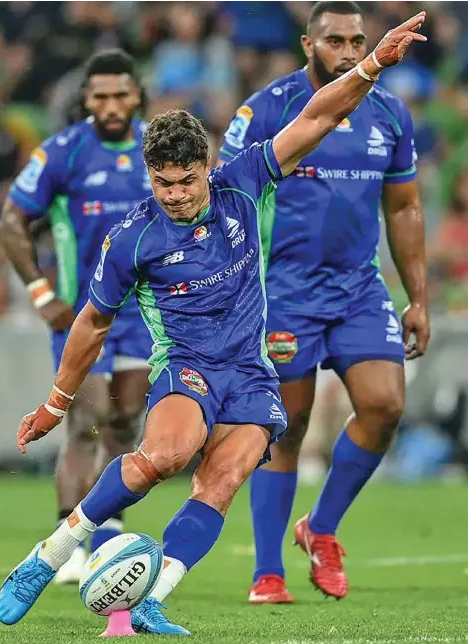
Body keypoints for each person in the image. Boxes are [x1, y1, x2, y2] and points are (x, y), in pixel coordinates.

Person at [0, 12, 427, 635]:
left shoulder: (243, 183)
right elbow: (90, 324)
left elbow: (317, 117)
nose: (174, 194)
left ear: (207, 167)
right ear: (150, 176)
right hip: (188, 364)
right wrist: (56, 402)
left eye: (185, 181)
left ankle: (152, 598)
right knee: (163, 457)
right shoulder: (134, 239)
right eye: (163, 183)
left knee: (224, 480)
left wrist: (373, 65)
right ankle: (48, 557)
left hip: (250, 371)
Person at [219, 1, 431, 604]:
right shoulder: (266, 110)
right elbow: (226, 192)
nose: (349, 51)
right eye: (335, 40)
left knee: (385, 405)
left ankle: (322, 528)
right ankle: (267, 572)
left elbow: (405, 207)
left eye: (358, 40)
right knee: (286, 428)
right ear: (308, 44)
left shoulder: (390, 113)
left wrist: (418, 298)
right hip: (284, 290)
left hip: (359, 288)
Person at [0, 49, 153, 584]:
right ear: (85, 100)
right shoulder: (64, 152)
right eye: (100, 96)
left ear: (137, 95)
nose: (111, 105)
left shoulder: (158, 148)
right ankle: (69, 543)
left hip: (146, 315)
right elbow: (12, 220)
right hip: (82, 313)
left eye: (120, 95)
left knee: (127, 421)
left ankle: (108, 537)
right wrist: (41, 294)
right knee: (86, 420)